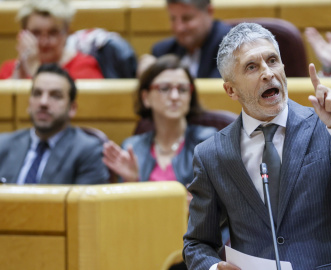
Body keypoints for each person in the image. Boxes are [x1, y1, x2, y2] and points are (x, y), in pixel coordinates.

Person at [183, 23, 331, 269]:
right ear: (231, 90)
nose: (267, 73)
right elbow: (197, 243)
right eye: (252, 67)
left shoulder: (325, 128)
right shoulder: (212, 155)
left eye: (272, 60)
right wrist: (213, 268)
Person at [102, 54, 216, 186]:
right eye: (164, 88)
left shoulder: (208, 143)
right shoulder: (133, 147)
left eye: (182, 89)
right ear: (146, 98)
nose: (174, 96)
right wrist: (132, 182)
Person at [0, 63, 110, 185]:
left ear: (72, 108)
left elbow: (86, 203)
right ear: (28, 103)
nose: (43, 102)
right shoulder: (3, 145)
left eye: (55, 96)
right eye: (37, 94)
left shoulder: (87, 151)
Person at [0, 0, 104, 79]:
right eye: (36, 33)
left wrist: (35, 68)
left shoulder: (84, 68)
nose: (44, 42)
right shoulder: (8, 70)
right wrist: (19, 75)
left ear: (66, 34)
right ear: (23, 34)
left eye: (52, 33)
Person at [138, 0, 231, 78]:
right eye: (173, 19)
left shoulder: (232, 47)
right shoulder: (162, 52)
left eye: (187, 19)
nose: (179, 28)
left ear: (209, 12)